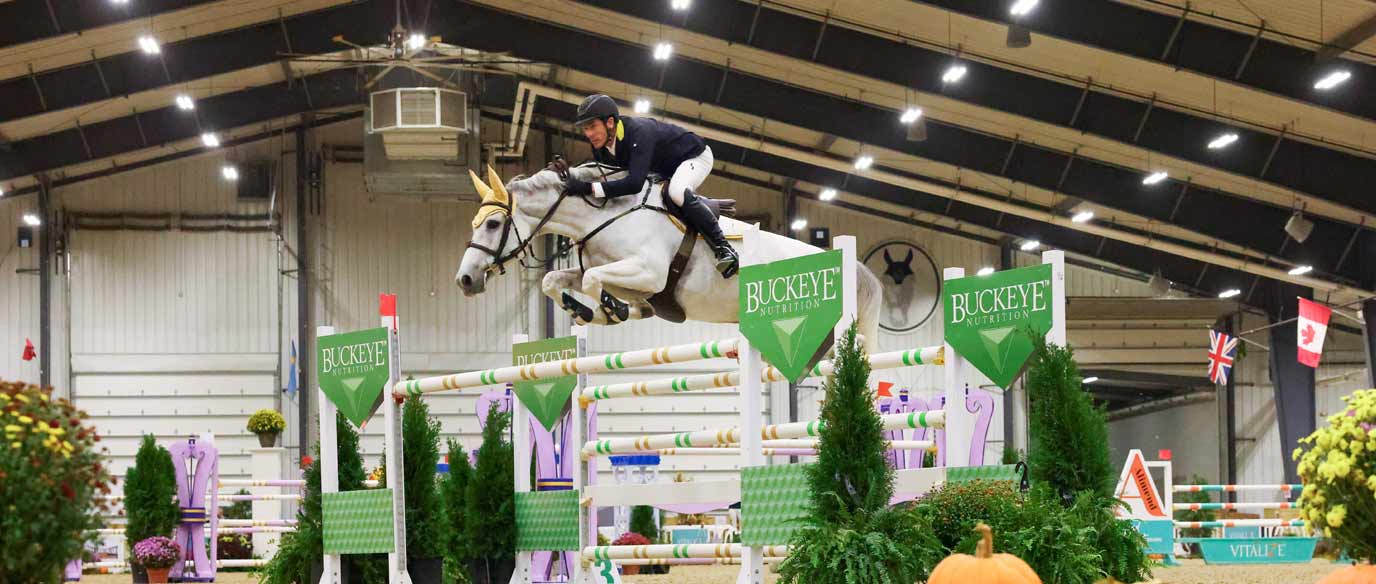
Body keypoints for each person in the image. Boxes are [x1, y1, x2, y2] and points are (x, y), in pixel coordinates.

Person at [561, 94, 739, 278]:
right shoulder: (600, 148)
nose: (588, 134)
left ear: (610, 122)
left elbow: (634, 184)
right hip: (662, 168)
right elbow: (614, 185)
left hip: (693, 157)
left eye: (592, 127)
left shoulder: (638, 132)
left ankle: (724, 248)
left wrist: (589, 188)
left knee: (676, 193)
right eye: (585, 129)